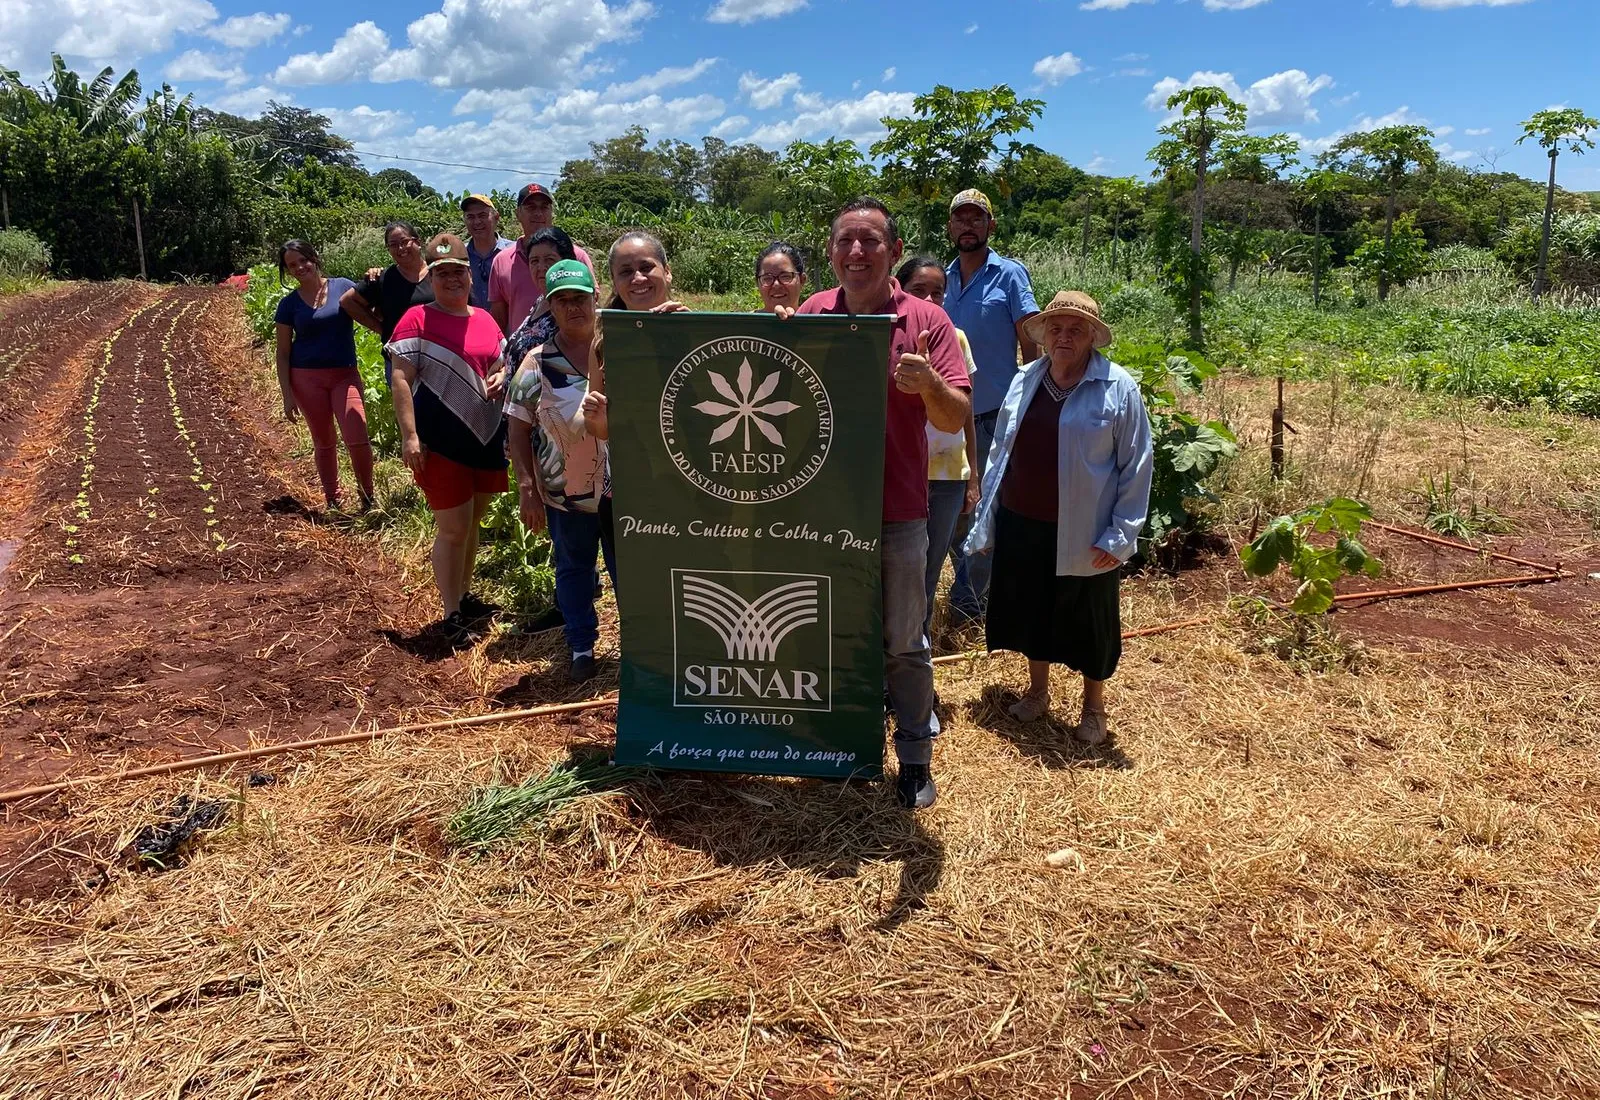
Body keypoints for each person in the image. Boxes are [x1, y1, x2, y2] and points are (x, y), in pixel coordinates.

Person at [792, 198, 972, 810]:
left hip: (898, 511)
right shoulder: (813, 313)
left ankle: (915, 758)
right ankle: (845, 743)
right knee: (832, 635)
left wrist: (930, 385)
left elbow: (955, 414)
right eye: (845, 240)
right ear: (831, 251)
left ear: (894, 252)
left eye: (871, 240)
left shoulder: (925, 321)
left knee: (904, 640)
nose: (857, 252)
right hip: (824, 513)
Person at [964, 291, 1152, 745]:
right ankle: (1038, 691)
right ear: (1043, 334)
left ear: (1092, 337)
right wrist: (987, 516)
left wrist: (1120, 535)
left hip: (1086, 527)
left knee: (1089, 617)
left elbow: (1137, 464)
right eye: (1055, 328)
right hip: (1022, 517)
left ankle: (1093, 706)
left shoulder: (1117, 386)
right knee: (1031, 608)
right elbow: (1001, 453)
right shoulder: (1027, 378)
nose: (1064, 336)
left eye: (1075, 329)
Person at [384, 233, 509, 643]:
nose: (451, 280)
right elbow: (400, 379)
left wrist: (499, 375)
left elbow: (498, 362)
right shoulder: (417, 319)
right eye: (442, 274)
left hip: (484, 439)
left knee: (472, 522)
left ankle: (464, 594)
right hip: (439, 442)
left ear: (470, 276)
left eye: (458, 272)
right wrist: (410, 436)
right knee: (453, 527)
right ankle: (451, 613)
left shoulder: (485, 319)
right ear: (432, 278)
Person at [506, 260, 613, 683]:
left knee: (628, 573)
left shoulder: (619, 346)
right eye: (562, 300)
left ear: (595, 298)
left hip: (622, 489)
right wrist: (527, 487)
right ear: (550, 306)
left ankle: (639, 650)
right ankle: (581, 647)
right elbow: (517, 426)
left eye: (580, 298)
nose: (573, 308)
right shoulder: (537, 362)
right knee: (573, 568)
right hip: (564, 491)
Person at [941, 187, 1040, 625]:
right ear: (950, 228)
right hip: (943, 415)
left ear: (990, 226)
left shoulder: (1010, 275)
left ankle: (966, 608)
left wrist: (1031, 401)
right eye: (960, 219)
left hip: (991, 415)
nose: (967, 225)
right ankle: (971, 593)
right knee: (950, 507)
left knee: (983, 512)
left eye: (976, 218)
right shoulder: (940, 280)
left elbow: (1029, 341)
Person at [895, 256, 980, 647]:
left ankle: (917, 660)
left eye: (938, 292)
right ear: (900, 290)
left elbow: (966, 413)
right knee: (898, 578)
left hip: (946, 477)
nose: (930, 300)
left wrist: (973, 475)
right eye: (919, 291)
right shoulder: (891, 332)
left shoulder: (954, 337)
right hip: (900, 473)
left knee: (927, 576)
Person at [273, 239, 375, 512]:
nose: (299, 267)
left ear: (314, 258)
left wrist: (375, 276)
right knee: (324, 441)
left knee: (357, 435)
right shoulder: (288, 305)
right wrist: (287, 395)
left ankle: (368, 498)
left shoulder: (343, 286)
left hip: (344, 375)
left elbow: (372, 300)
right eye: (291, 265)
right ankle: (333, 499)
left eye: (303, 260)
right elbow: (282, 353)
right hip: (306, 379)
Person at [489, 183, 597, 335]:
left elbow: (592, 303)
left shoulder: (576, 256)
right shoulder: (501, 261)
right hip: (522, 351)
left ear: (552, 212)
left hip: (569, 351)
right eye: (531, 207)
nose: (538, 213)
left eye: (544, 207)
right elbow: (499, 318)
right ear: (518, 213)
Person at [341, 220, 434, 386]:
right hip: (399, 361)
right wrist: (381, 329)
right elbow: (347, 301)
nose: (400, 249)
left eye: (405, 242)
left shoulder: (438, 273)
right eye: (393, 245)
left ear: (418, 242)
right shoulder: (382, 278)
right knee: (408, 410)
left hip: (438, 357)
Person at [503, 226, 578, 378]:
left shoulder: (573, 307)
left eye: (549, 260)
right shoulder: (541, 301)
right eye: (534, 261)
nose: (541, 267)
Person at [461, 194, 514, 309]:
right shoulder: (460, 255)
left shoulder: (514, 252)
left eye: (482, 215)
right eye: (470, 217)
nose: (477, 222)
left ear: (496, 217)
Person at [754, 241, 806, 313]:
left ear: (802, 280)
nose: (776, 284)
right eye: (767, 278)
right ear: (757, 283)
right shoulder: (742, 323)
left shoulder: (816, 322)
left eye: (785, 276)